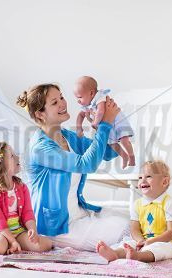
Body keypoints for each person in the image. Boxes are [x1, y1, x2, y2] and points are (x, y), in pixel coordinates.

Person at [17, 83, 129, 252]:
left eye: (61, 97)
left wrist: (108, 123)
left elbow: (107, 153)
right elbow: (87, 165)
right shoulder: (40, 148)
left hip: (78, 214)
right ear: (40, 114)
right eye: (54, 103)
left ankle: (126, 250)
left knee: (131, 221)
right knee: (125, 230)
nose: (62, 103)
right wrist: (105, 125)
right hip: (57, 226)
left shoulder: (67, 136)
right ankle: (123, 252)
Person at [96, 160, 172, 262]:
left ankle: (139, 256)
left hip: (166, 242)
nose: (142, 181)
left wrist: (151, 241)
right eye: (140, 177)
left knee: (162, 249)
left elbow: (171, 232)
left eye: (148, 177)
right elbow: (134, 229)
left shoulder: (169, 203)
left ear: (164, 182)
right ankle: (115, 253)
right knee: (129, 243)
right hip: (143, 240)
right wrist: (140, 240)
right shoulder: (137, 204)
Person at [74, 76, 135, 169]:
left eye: (80, 97)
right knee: (112, 143)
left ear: (91, 93)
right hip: (108, 125)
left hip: (118, 121)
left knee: (124, 140)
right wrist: (79, 127)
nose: (78, 101)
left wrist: (95, 122)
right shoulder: (87, 105)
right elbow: (80, 115)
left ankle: (131, 156)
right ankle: (124, 156)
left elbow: (101, 111)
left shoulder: (100, 97)